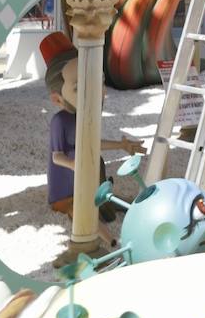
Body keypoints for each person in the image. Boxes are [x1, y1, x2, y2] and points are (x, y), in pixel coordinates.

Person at [42, 32, 143, 245]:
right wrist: (75, 164)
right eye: (78, 87)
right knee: (80, 211)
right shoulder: (60, 122)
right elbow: (56, 157)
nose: (95, 91)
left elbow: (92, 142)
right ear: (57, 99)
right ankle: (113, 242)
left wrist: (122, 145)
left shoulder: (84, 117)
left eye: (96, 80)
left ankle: (136, 210)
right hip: (66, 190)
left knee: (109, 202)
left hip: (90, 182)